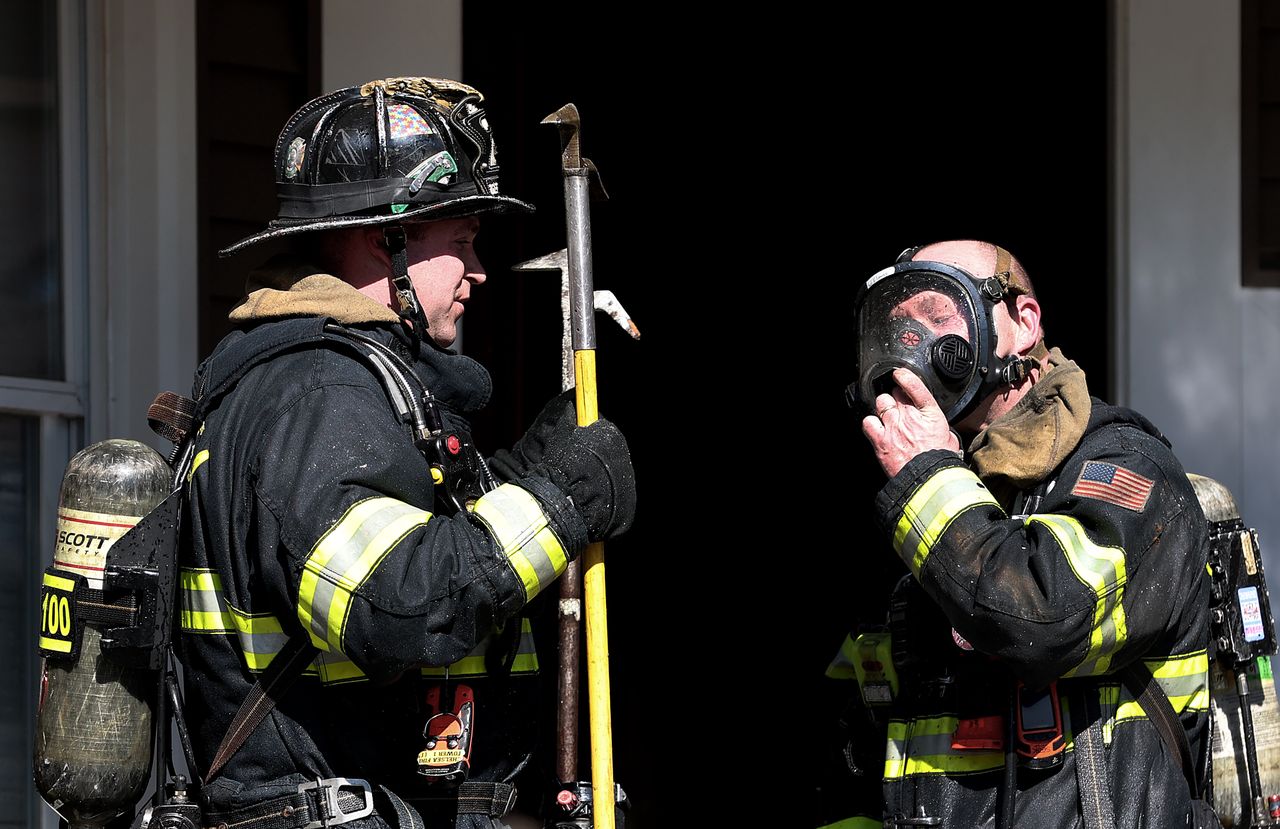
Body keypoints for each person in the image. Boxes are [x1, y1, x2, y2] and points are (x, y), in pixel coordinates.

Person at [176, 77, 635, 829]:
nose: (478, 271)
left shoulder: (349, 385)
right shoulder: (317, 393)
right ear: (378, 239)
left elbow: (412, 551)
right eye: (459, 242)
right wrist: (560, 503)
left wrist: (525, 474)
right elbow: (396, 602)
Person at [821, 241, 1211, 828]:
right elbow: (856, 750)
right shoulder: (914, 503)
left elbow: (1044, 618)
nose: (912, 345)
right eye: (896, 327)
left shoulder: (1126, 467)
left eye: (937, 315)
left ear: (1023, 324)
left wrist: (929, 480)